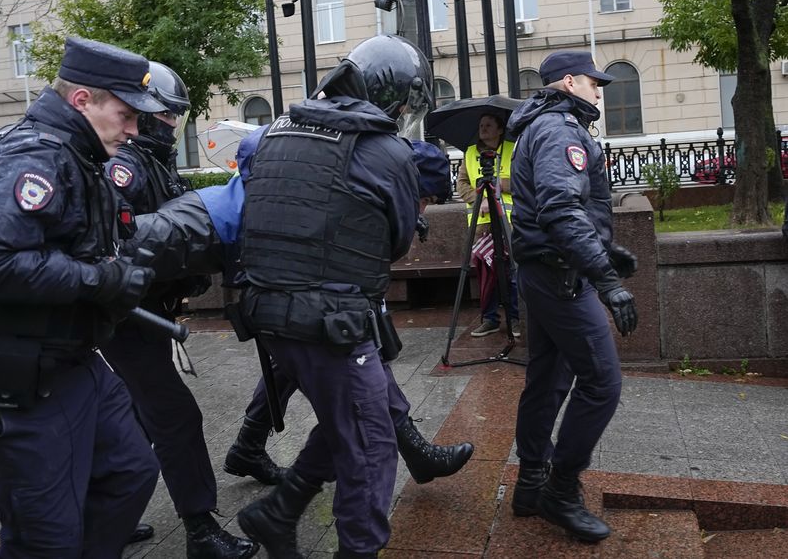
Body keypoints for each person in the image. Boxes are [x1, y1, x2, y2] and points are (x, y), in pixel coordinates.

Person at [0, 37, 166, 557]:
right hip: (16, 378)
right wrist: (99, 281)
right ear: (82, 100)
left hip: (67, 359)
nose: (132, 130)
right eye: (126, 114)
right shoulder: (34, 155)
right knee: (46, 540)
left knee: (130, 472)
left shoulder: (73, 152)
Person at [232, 34, 434, 559]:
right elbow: (396, 242)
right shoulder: (387, 152)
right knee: (370, 446)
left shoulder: (274, 132)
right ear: (391, 93)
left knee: (358, 413)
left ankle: (278, 512)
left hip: (268, 316)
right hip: (331, 324)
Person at [223, 138, 474, 491]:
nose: (423, 208)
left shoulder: (362, 180)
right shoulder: (350, 185)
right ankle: (411, 451)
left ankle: (250, 450)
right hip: (286, 291)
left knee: (292, 368)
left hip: (286, 296)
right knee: (359, 375)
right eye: (424, 199)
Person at [101, 61, 257, 559]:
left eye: (175, 118)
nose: (172, 127)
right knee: (175, 419)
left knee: (132, 418)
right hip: (129, 316)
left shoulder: (152, 162)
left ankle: (107, 517)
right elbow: (118, 241)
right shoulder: (122, 167)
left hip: (146, 312)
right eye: (167, 117)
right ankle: (200, 531)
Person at [506, 50, 638, 542]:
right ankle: (560, 491)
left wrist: (606, 249)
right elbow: (560, 209)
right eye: (592, 81)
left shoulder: (544, 125)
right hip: (561, 277)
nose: (599, 89)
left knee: (546, 380)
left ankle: (530, 484)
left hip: (546, 271)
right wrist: (605, 279)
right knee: (601, 382)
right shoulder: (560, 129)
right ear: (568, 82)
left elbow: (567, 208)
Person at [456, 114, 520, 338]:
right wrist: (478, 197)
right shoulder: (471, 152)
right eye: (481, 125)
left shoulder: (514, 149)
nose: (483, 129)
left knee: (513, 272)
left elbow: (525, 180)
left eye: (488, 125)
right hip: (481, 225)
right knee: (485, 273)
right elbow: (461, 184)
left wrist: (500, 185)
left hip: (510, 223)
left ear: (500, 129)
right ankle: (490, 319)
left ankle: (517, 318)